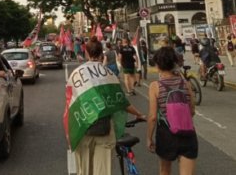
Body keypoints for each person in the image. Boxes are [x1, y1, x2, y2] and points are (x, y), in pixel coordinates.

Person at [65, 36, 145, 175]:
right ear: (102, 54)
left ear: (86, 52)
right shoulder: (108, 74)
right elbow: (122, 101)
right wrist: (138, 114)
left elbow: (70, 105)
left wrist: (69, 133)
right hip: (104, 129)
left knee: (84, 170)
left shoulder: (76, 74)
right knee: (102, 171)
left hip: (83, 128)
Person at [147, 46, 198, 175]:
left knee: (165, 171)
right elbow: (192, 110)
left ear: (158, 65)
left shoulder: (155, 86)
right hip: (187, 133)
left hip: (166, 134)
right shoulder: (185, 83)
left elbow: (153, 116)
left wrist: (149, 138)